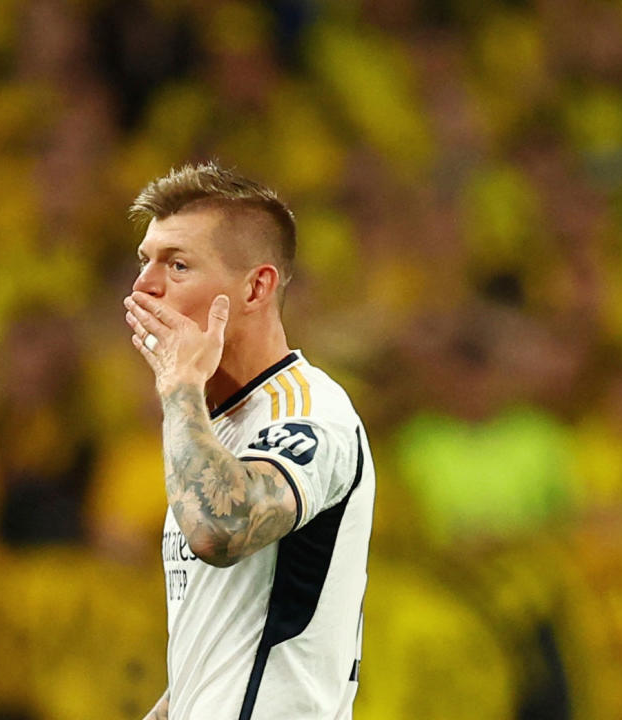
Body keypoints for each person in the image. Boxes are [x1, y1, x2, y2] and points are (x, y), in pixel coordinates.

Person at [123, 162, 375, 720]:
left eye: (178, 265)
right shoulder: (212, 431)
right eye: (145, 262)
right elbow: (221, 654)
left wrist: (181, 385)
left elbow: (224, 528)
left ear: (256, 286)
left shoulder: (310, 412)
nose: (145, 286)